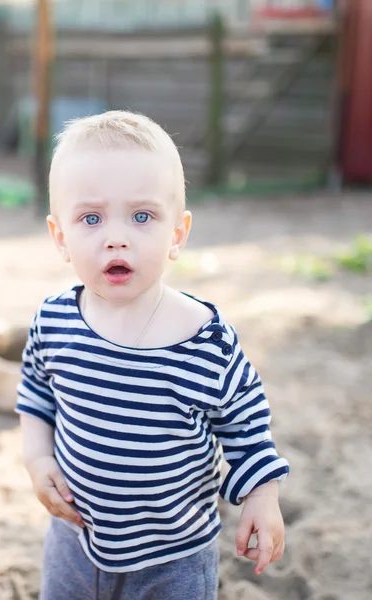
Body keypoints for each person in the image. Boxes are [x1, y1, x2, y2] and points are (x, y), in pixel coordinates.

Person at [16, 110, 289, 600]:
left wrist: (261, 497)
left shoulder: (205, 340)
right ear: (60, 237)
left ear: (177, 235)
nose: (115, 236)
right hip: (74, 542)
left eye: (142, 216)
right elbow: (35, 393)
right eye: (91, 218)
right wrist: (37, 460)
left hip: (174, 558)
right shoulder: (55, 319)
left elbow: (247, 425)